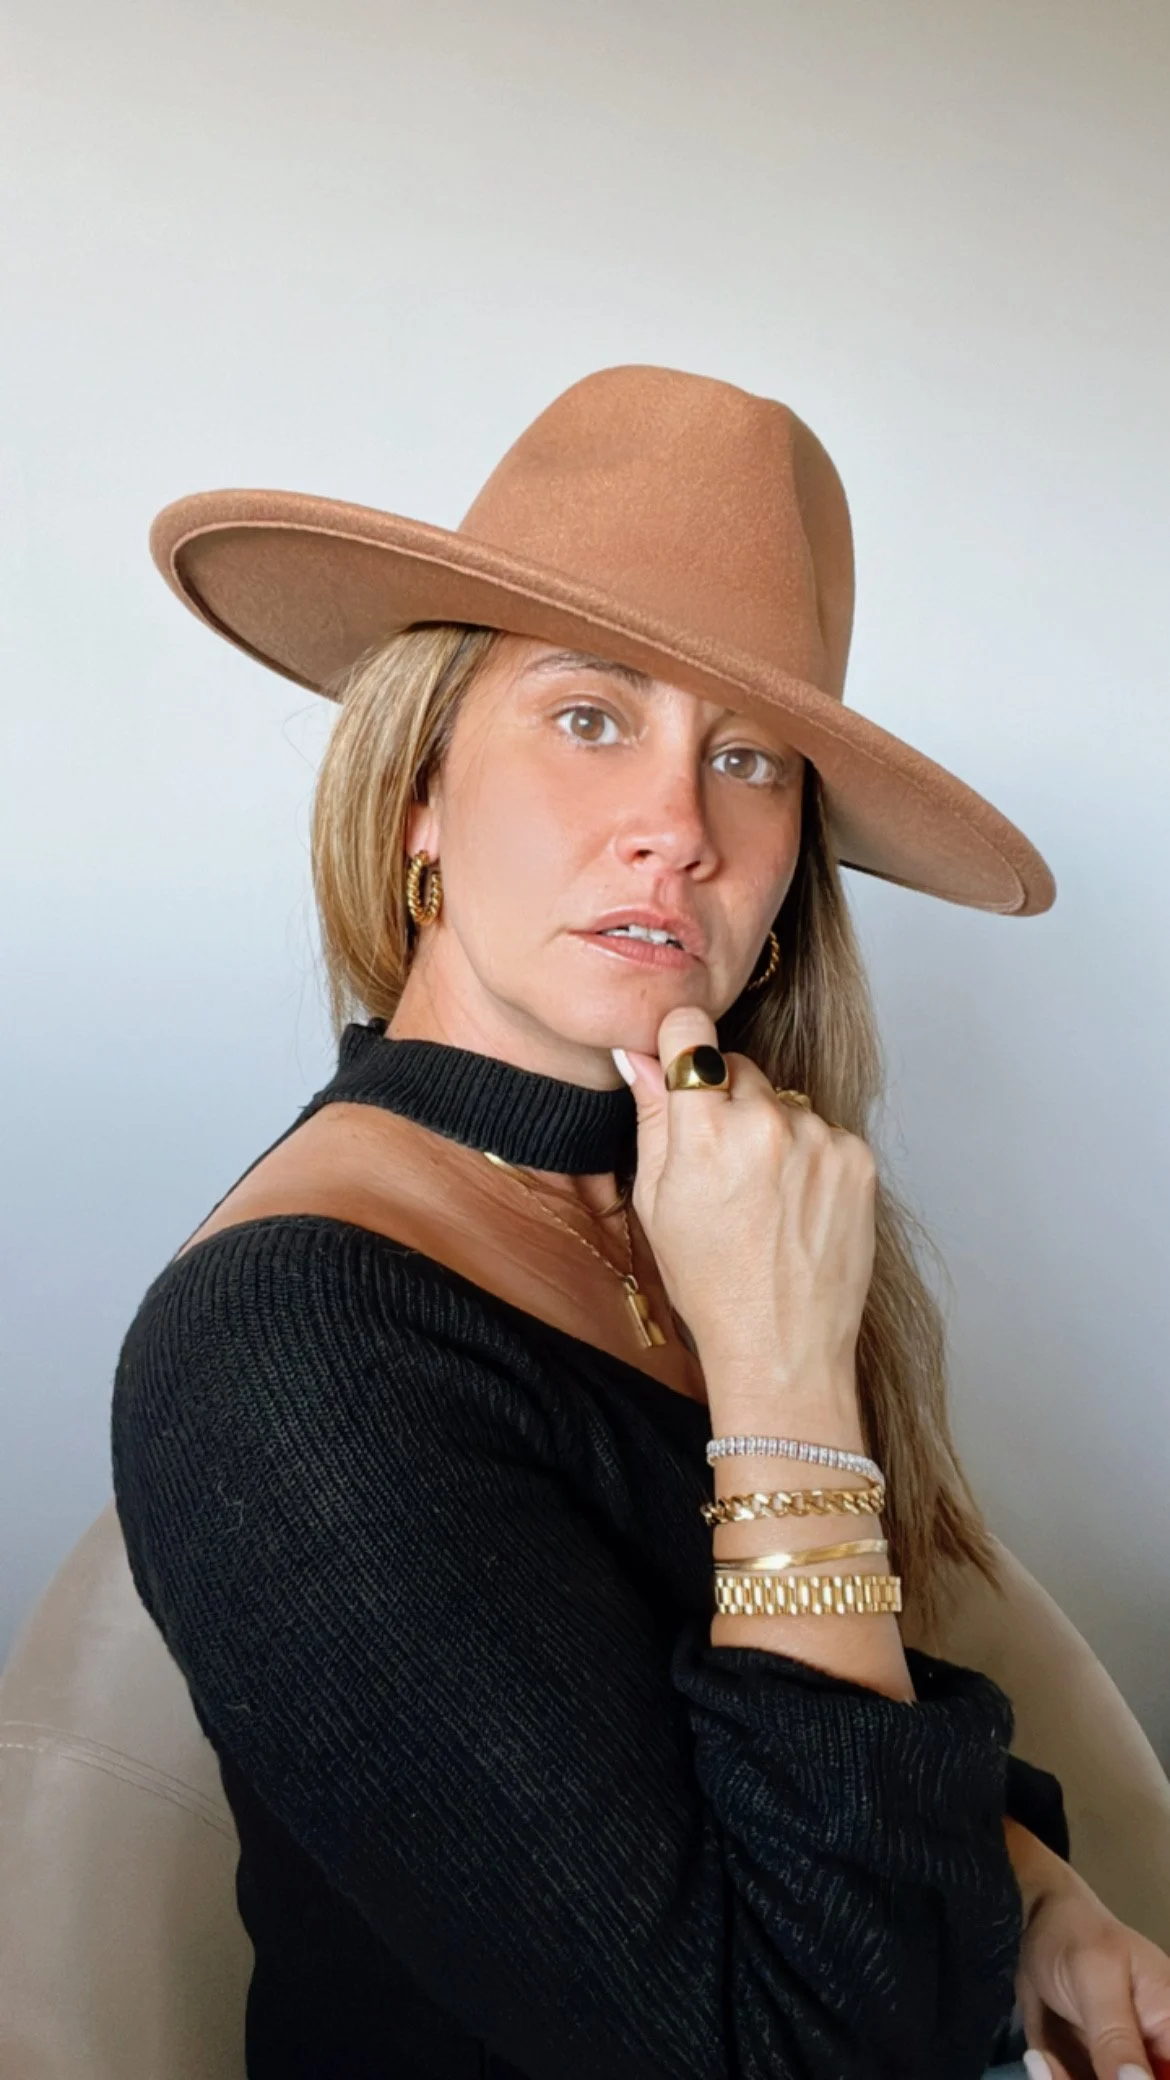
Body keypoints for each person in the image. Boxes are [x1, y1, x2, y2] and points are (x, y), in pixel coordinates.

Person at [111, 366, 1170, 2080]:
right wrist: (781, 1375)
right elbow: (789, 2052)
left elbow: (763, 1726)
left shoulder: (698, 1199)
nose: (677, 830)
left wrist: (1028, 1884)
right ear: (417, 798)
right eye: (590, 718)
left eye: (745, 758)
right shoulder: (285, 1346)